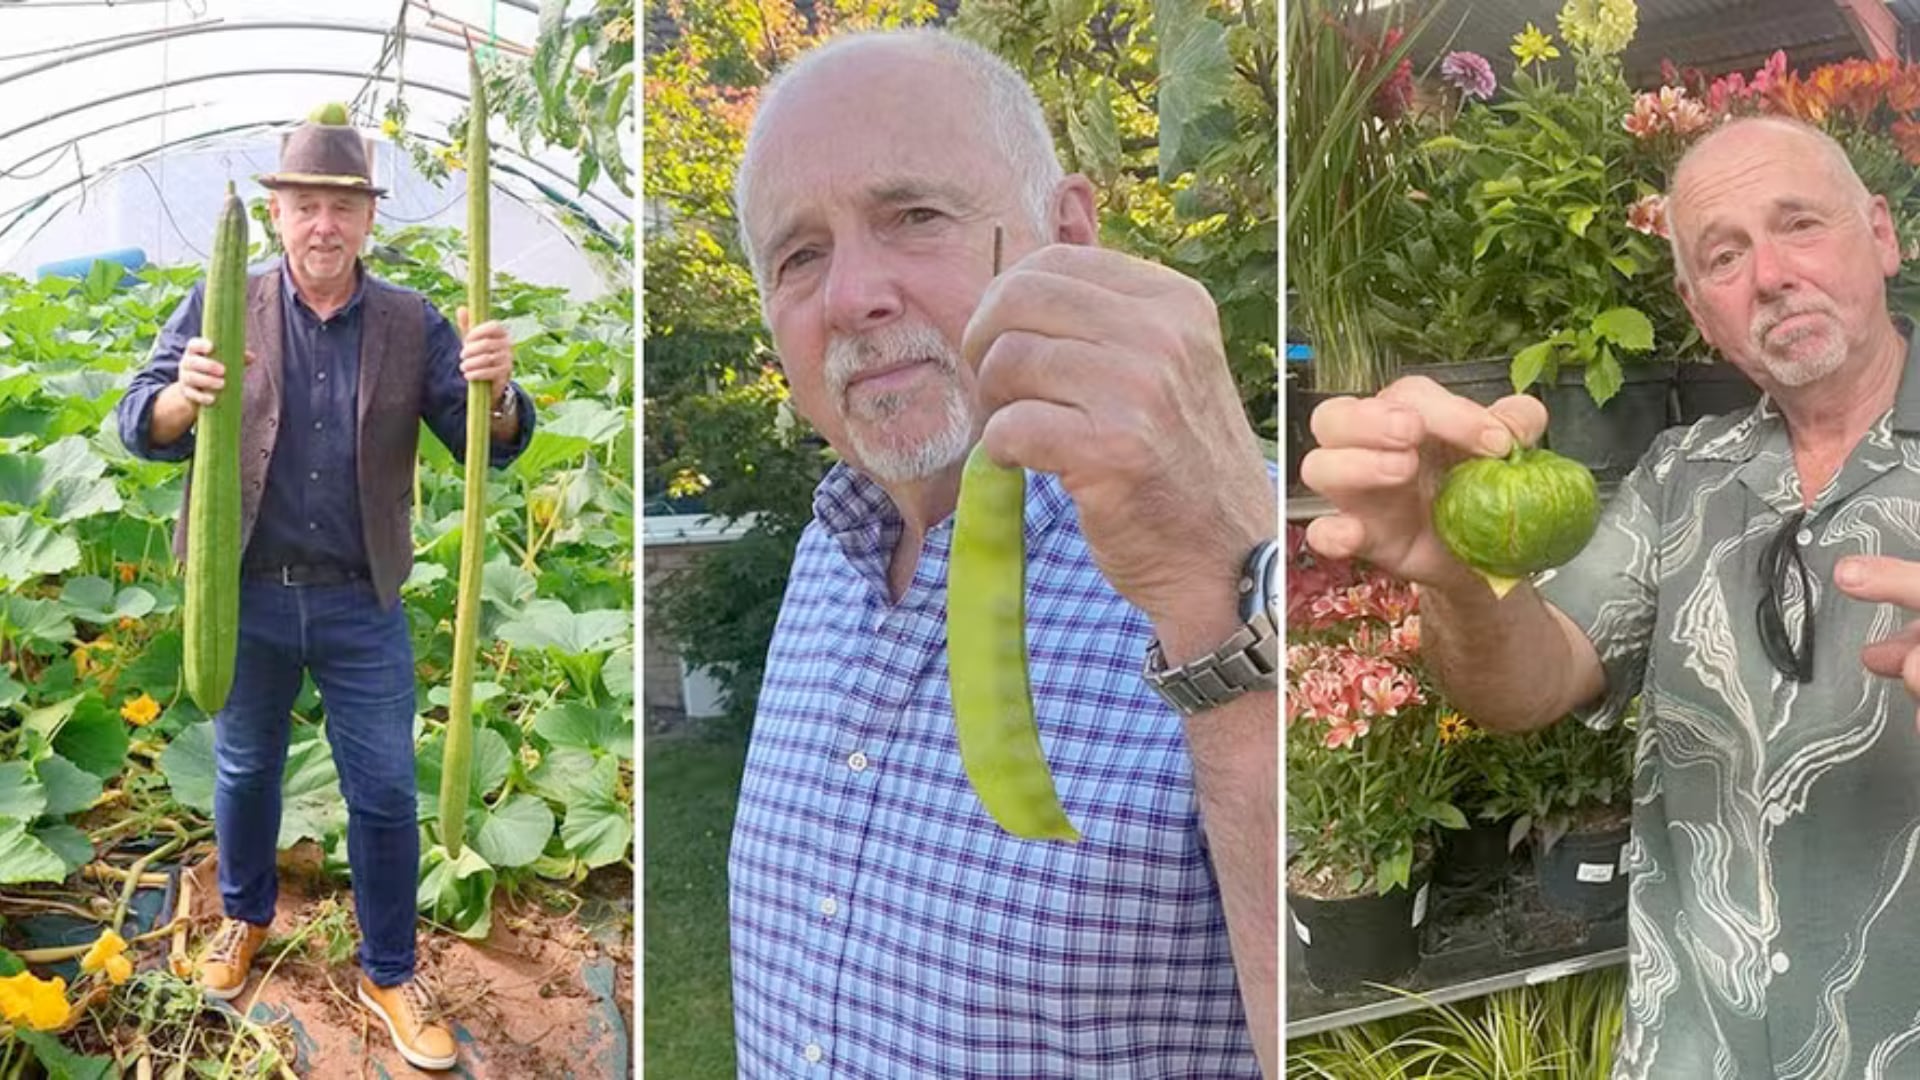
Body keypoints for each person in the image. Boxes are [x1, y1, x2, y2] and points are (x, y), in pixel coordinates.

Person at [1302, 113, 1920, 1077]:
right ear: (1695, 306)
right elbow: (1527, 682)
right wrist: (1462, 575)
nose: (1769, 274)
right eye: (1724, 255)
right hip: (1693, 1046)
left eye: (1801, 224)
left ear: (1881, 233)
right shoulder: (1680, 475)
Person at [723, 27, 1279, 1078]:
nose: (852, 297)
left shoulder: (1237, 545)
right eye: (800, 256)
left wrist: (1228, 612)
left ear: (1068, 229)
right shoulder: (827, 554)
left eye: (915, 217)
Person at [113, 107, 535, 1072]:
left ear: (367, 220)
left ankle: (389, 970)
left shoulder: (411, 322)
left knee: (385, 793)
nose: (323, 226)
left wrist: (498, 392)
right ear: (278, 216)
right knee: (244, 771)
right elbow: (138, 419)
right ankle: (246, 919)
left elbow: (490, 448)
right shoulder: (222, 306)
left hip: (361, 598)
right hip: (246, 591)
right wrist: (184, 396)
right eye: (306, 206)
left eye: (341, 209)